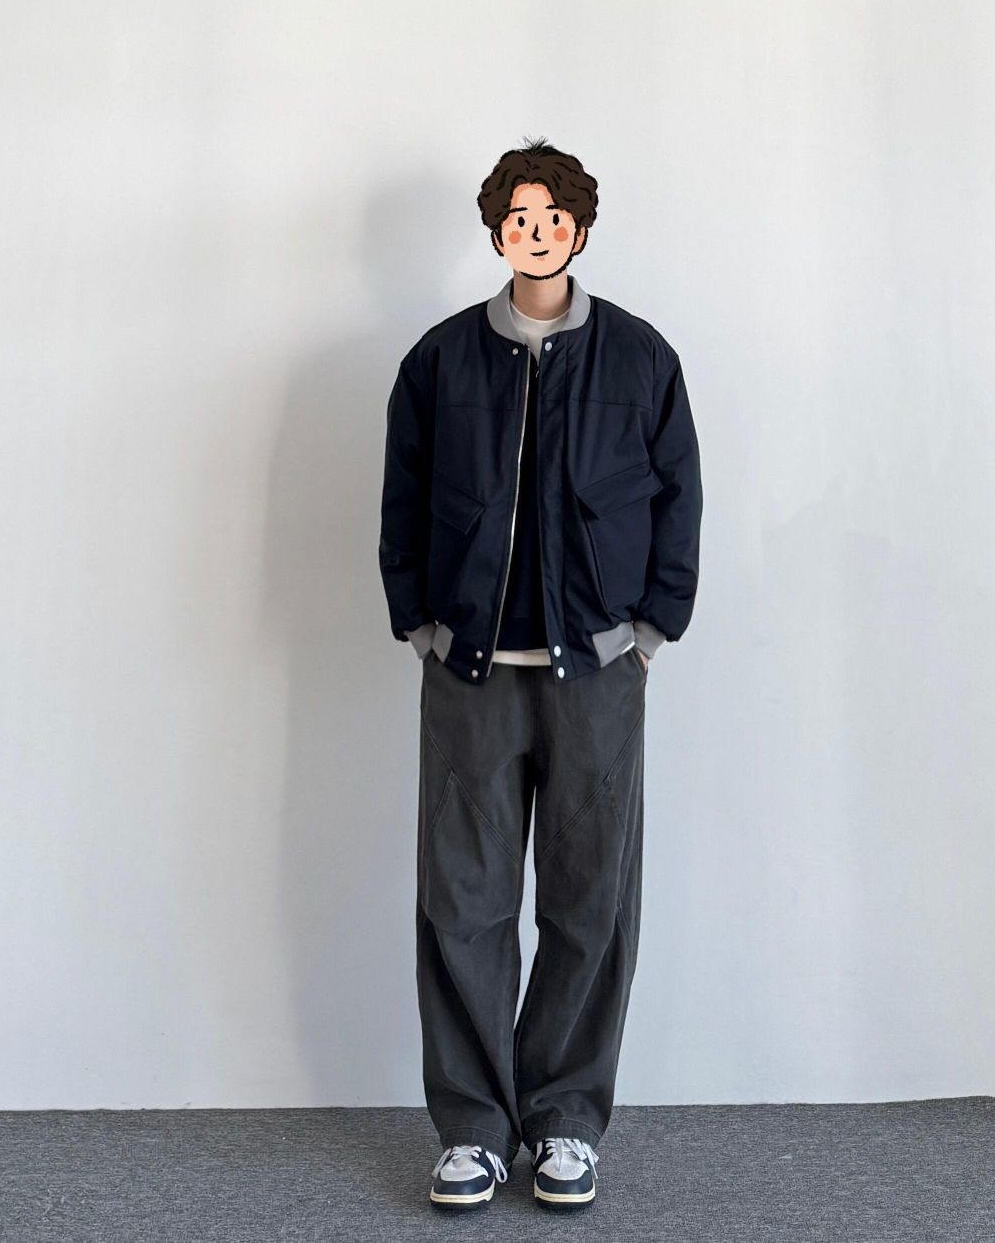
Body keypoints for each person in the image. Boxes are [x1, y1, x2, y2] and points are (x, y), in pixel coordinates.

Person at [378, 137, 702, 1211]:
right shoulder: (439, 360)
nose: (536, 231)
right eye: (517, 216)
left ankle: (564, 1121)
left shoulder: (640, 357)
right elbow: (402, 498)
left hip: (596, 672)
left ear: (579, 227)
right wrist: (419, 622)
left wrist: (651, 629)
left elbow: (679, 497)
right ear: (496, 231)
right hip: (469, 671)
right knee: (460, 903)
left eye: (552, 215)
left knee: (588, 901)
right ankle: (474, 1129)